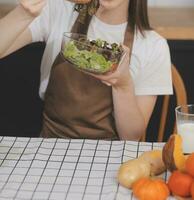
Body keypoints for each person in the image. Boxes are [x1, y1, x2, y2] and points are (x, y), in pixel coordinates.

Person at [0, 0, 172, 141]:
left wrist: (123, 85)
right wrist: (24, 12)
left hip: (109, 156)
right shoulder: (59, 11)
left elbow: (132, 136)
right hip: (49, 146)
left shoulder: (153, 46)